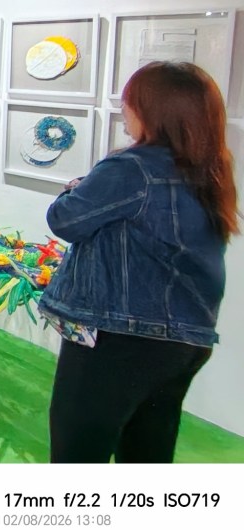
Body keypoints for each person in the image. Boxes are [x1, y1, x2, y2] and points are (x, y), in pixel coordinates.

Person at [38, 61, 238, 463]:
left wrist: (75, 189)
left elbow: (65, 220)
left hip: (119, 337)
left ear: (153, 110)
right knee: (148, 452)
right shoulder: (208, 169)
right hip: (185, 341)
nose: (123, 110)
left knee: (77, 454)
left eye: (129, 101)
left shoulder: (132, 167)